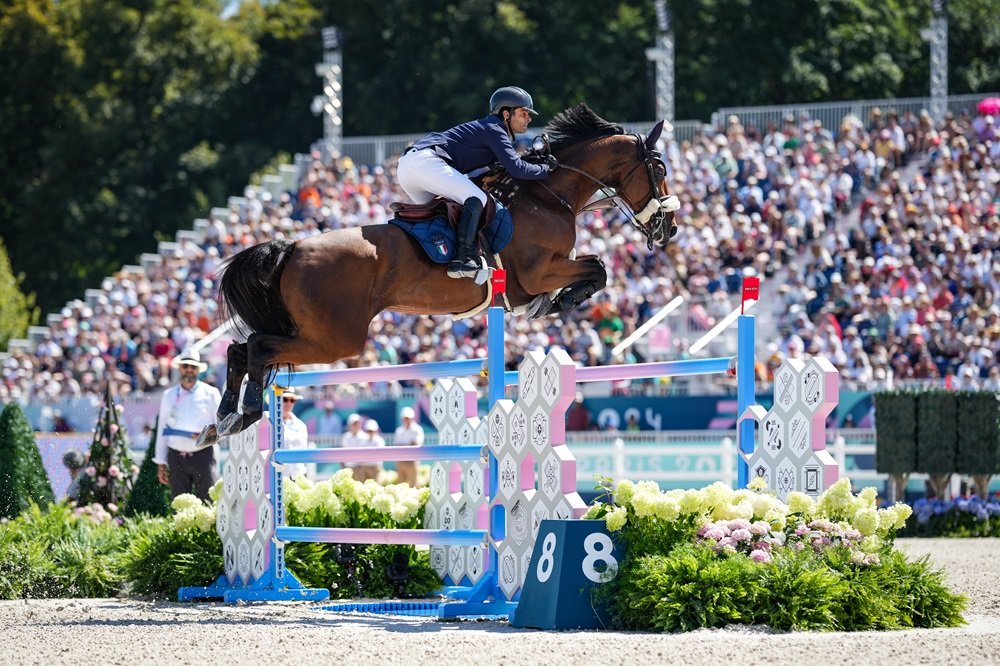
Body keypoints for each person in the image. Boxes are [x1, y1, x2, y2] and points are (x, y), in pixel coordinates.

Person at [396, 86, 557, 279]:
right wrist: (546, 170)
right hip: (426, 162)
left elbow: (478, 175)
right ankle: (463, 259)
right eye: (524, 113)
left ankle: (435, 264)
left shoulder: (489, 131)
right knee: (477, 198)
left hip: (408, 168)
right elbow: (517, 169)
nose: (529, 118)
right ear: (506, 114)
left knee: (444, 215)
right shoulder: (495, 129)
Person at [153, 350, 221, 500]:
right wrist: (161, 462)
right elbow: (162, 429)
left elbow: (221, 428)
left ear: (198, 370)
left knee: (207, 501)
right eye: (185, 366)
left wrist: (206, 437)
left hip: (203, 456)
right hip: (176, 457)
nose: (189, 369)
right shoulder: (168, 395)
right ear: (180, 368)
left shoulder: (211, 393)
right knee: (180, 503)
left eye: (193, 367)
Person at [281, 390, 310, 479]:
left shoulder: (301, 425)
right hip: (279, 474)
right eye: (285, 399)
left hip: (298, 473)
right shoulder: (270, 423)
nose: (288, 403)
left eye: (292, 400)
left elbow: (304, 449)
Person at [392, 406, 424, 486]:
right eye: (405, 418)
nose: (406, 420)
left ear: (412, 418)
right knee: (401, 485)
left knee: (413, 485)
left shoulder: (417, 429)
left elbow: (416, 443)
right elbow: (397, 445)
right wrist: (408, 445)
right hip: (401, 461)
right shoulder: (399, 430)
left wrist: (403, 446)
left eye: (408, 418)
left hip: (412, 461)